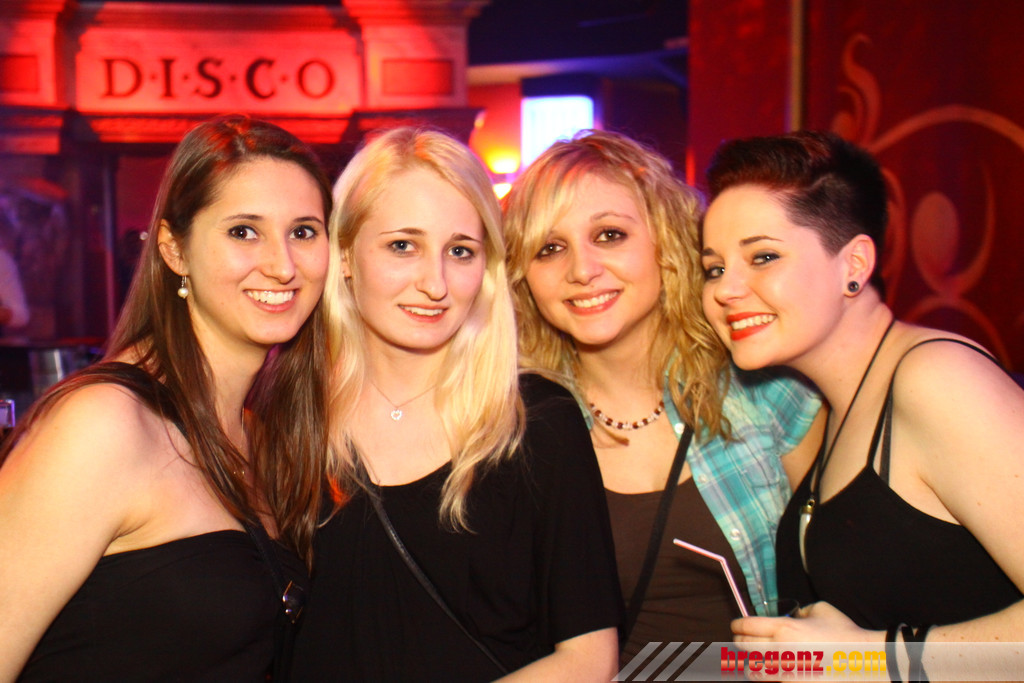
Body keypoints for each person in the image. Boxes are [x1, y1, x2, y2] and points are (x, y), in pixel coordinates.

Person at [0, 114, 332, 681]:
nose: (283, 266)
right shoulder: (105, 424)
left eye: (303, 232)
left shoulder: (256, 436)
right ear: (174, 249)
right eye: (243, 231)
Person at [290, 127, 621, 682]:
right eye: (403, 246)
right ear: (344, 255)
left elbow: (590, 657)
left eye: (460, 251)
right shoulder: (288, 418)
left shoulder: (538, 422)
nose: (435, 283)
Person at [502, 129, 823, 663]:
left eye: (609, 235)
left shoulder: (764, 388)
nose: (581, 270)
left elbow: (849, 574)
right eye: (549, 249)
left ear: (666, 243)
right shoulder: (516, 431)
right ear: (523, 278)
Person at [701, 131, 1024, 662]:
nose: (724, 290)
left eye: (762, 257)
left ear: (853, 265)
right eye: (714, 268)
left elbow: (861, 653)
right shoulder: (837, 404)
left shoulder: (937, 379)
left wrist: (866, 657)